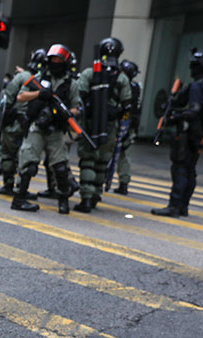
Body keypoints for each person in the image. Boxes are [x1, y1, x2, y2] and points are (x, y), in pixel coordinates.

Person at [10, 43, 78, 214]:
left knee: (60, 167)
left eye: (58, 60)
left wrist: (64, 113)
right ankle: (19, 198)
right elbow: (21, 96)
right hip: (37, 127)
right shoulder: (38, 78)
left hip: (55, 129)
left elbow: (77, 107)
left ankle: (63, 200)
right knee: (29, 164)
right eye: (52, 60)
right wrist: (40, 94)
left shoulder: (71, 84)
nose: (55, 63)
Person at [152, 49, 203, 217]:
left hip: (187, 131)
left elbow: (193, 110)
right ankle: (183, 205)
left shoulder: (198, 86)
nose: (191, 67)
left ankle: (174, 205)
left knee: (180, 168)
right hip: (199, 131)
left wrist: (175, 116)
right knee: (190, 169)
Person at [72, 37, 131, 212]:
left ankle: (86, 199)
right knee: (101, 163)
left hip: (89, 125)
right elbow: (128, 105)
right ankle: (96, 195)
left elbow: (79, 96)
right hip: (110, 127)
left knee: (88, 162)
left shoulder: (90, 73)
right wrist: (123, 124)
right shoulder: (121, 78)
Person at [0, 49, 44, 197]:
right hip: (23, 123)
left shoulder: (21, 76)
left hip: (9, 121)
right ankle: (19, 190)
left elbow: (5, 99)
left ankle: (7, 185)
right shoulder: (37, 79)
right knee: (24, 156)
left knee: (8, 155)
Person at [113, 59, 141, 195]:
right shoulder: (135, 87)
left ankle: (121, 182)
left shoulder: (125, 86)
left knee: (119, 153)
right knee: (124, 153)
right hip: (127, 124)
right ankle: (123, 182)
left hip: (122, 123)